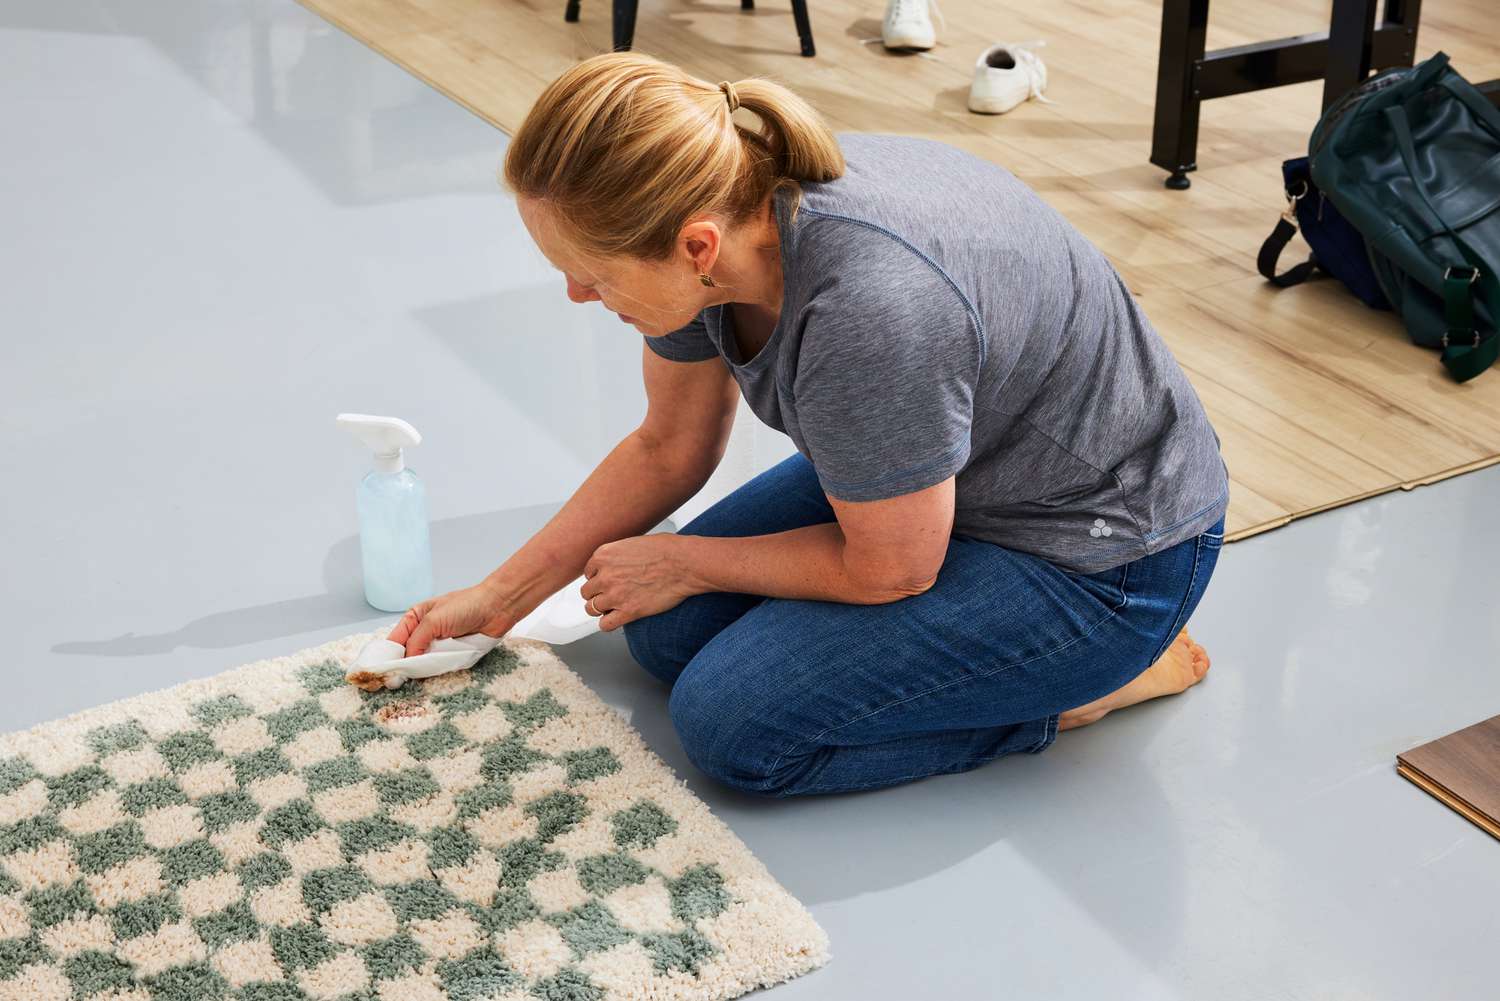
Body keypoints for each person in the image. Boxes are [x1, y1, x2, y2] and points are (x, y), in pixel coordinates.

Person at [386, 51, 1230, 799]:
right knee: (660, 630)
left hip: (1104, 558)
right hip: (954, 481)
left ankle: (1090, 686)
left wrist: (687, 557)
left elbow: (894, 570)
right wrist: (499, 598)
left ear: (695, 246)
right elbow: (668, 446)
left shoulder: (870, 311)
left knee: (732, 727)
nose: (576, 294)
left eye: (592, 277)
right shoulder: (709, 205)